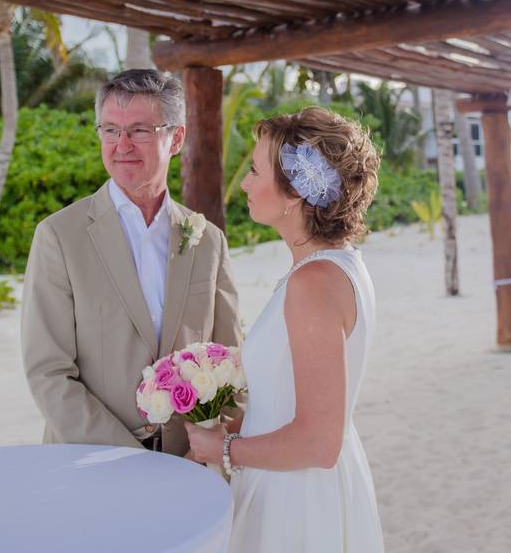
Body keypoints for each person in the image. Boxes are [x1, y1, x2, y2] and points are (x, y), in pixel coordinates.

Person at [184, 106, 384, 551]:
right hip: (301, 481)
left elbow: (318, 442)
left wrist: (222, 449)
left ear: (295, 193)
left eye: (255, 171)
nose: (245, 183)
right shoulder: (337, 265)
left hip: (296, 498)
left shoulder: (313, 283)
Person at [21, 69, 242, 457]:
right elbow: (48, 373)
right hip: (90, 460)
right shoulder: (59, 236)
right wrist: (132, 459)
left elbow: (230, 361)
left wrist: (206, 447)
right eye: (109, 130)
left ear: (176, 138)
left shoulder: (208, 241)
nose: (121, 145)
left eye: (139, 130)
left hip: (188, 464)